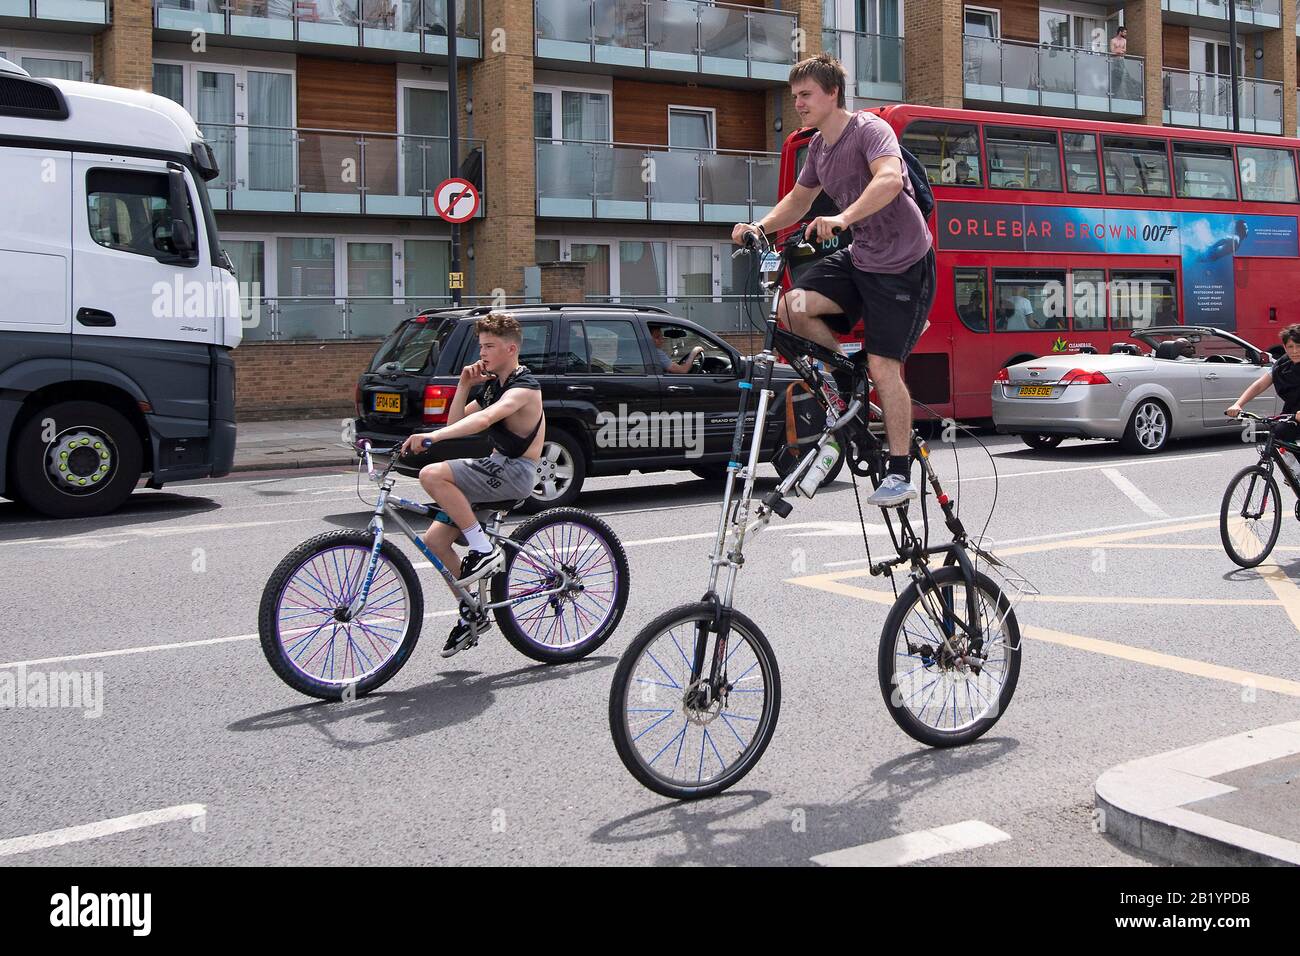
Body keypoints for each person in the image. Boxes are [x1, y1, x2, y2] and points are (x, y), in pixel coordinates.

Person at [731, 52, 935, 507]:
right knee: (789, 307)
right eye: (794, 96)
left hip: (904, 263)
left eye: (805, 95)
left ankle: (900, 472)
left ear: (832, 93)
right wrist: (759, 228)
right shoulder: (819, 149)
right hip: (862, 257)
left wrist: (841, 217)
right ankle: (842, 386)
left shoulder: (869, 131)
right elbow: (799, 200)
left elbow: (887, 181)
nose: (798, 104)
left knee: (885, 367)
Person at [400, 312, 545, 657]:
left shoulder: (524, 387)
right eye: (481, 346)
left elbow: (484, 419)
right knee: (435, 541)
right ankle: (472, 612)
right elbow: (457, 421)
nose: (483, 353)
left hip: (515, 471)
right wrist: (464, 385)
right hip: (496, 467)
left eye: (490, 346)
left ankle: (483, 550)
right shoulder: (493, 385)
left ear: (511, 349)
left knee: (432, 474)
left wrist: (431, 437)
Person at [1226, 324, 1300, 445]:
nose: (1295, 351)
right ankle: (1293, 464)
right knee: (1279, 434)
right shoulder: (1282, 365)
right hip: (1293, 411)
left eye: (1298, 346)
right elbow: (1260, 385)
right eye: (1290, 346)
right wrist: (1238, 404)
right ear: (1285, 348)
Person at [1109, 27, 1128, 97]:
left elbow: (1124, 51)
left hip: (1121, 60)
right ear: (1120, 32)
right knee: (1114, 75)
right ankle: (1113, 93)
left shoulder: (1124, 41)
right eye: (1124, 32)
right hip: (1114, 60)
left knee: (1121, 76)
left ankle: (1119, 94)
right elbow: (1112, 51)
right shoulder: (1113, 40)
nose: (1125, 34)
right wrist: (1120, 50)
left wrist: (1118, 50)